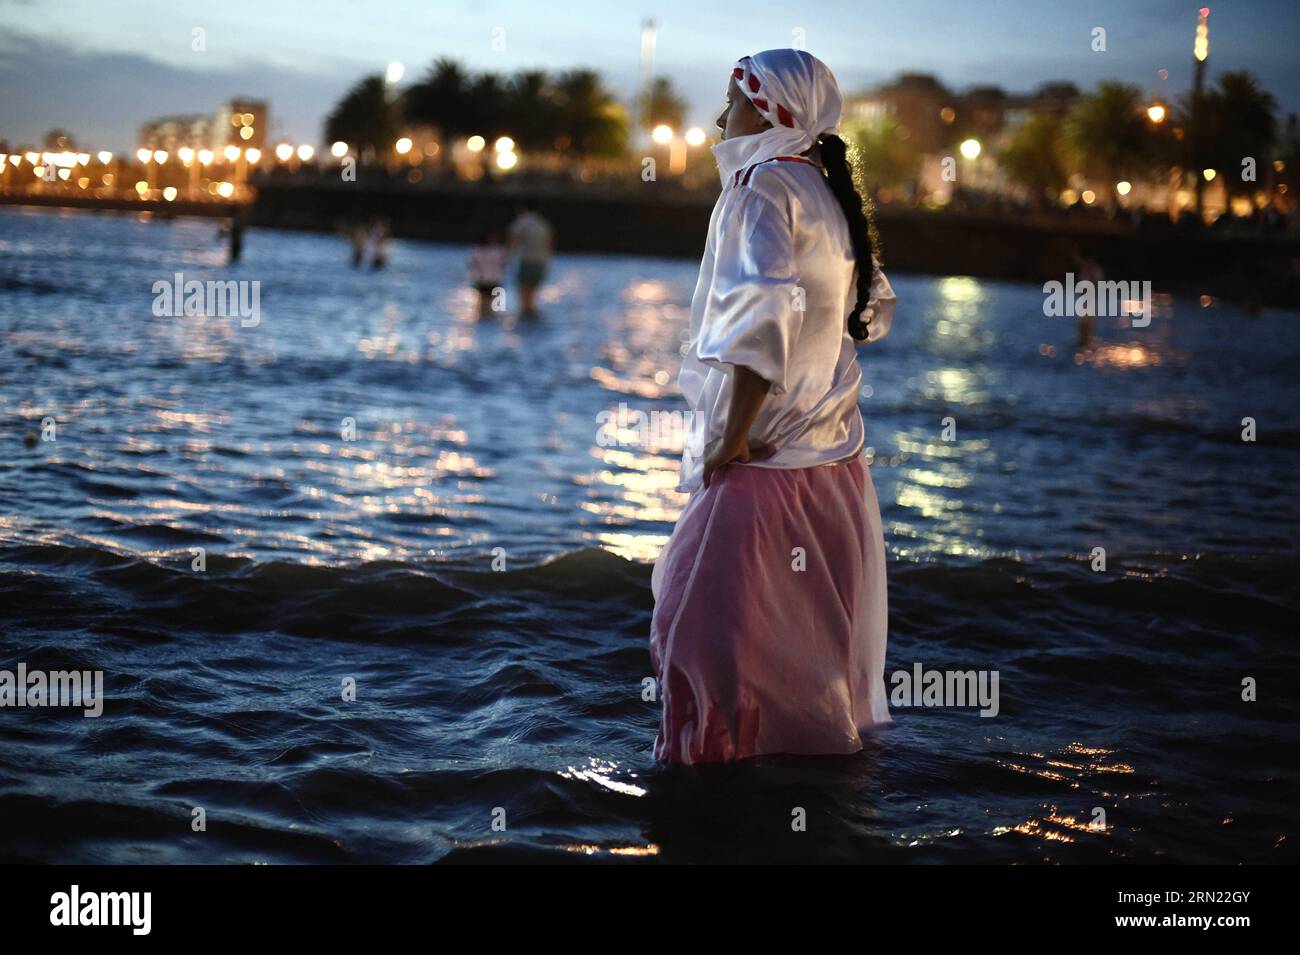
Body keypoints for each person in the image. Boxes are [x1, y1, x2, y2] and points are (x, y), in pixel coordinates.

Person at [649, 48, 898, 764]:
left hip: (764, 468)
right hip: (835, 473)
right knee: (799, 657)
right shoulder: (825, 191)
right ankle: (798, 809)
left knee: (699, 642)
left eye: (732, 99)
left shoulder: (761, 189)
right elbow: (865, 317)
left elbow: (761, 323)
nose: (718, 118)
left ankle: (711, 816)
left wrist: (726, 437)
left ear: (769, 110)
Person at [506, 201, 552, 318]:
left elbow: (513, 242)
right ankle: (532, 318)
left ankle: (526, 321)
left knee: (524, 297)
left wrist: (508, 258)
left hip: (526, 261)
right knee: (531, 296)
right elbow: (549, 243)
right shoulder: (543, 223)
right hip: (541, 262)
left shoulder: (520, 222)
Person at [467, 228, 508, 317]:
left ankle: (486, 320)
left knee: (490, 305)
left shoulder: (499, 250)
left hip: (493, 279)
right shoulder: (479, 250)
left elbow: (504, 264)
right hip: (484, 279)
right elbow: (473, 264)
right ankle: (485, 320)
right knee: (485, 304)